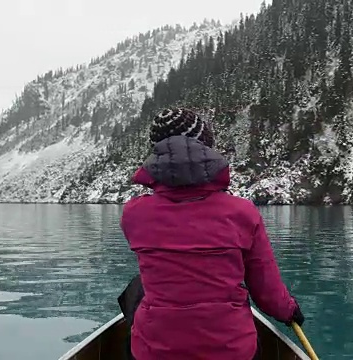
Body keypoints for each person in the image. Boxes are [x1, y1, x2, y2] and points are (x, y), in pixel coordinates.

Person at [119, 108, 304, 360]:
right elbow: (266, 292)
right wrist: (289, 310)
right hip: (232, 351)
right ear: (207, 149)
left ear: (156, 155)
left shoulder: (134, 214)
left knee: (138, 287)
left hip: (156, 352)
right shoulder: (242, 213)